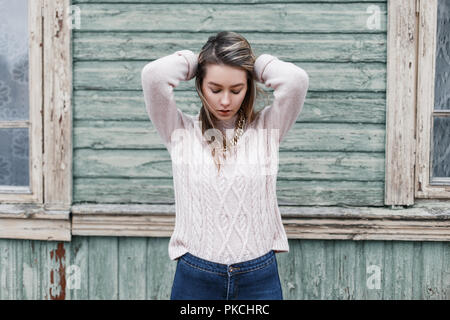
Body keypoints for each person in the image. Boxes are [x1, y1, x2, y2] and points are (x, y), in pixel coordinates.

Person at [141, 31, 309, 300]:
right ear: (200, 85)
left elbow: (296, 81)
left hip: (259, 277)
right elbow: (153, 76)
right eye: (215, 88)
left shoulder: (268, 128)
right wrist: (200, 60)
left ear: (249, 85)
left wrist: (252, 63)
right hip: (196, 276)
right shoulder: (179, 131)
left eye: (237, 89)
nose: (225, 101)